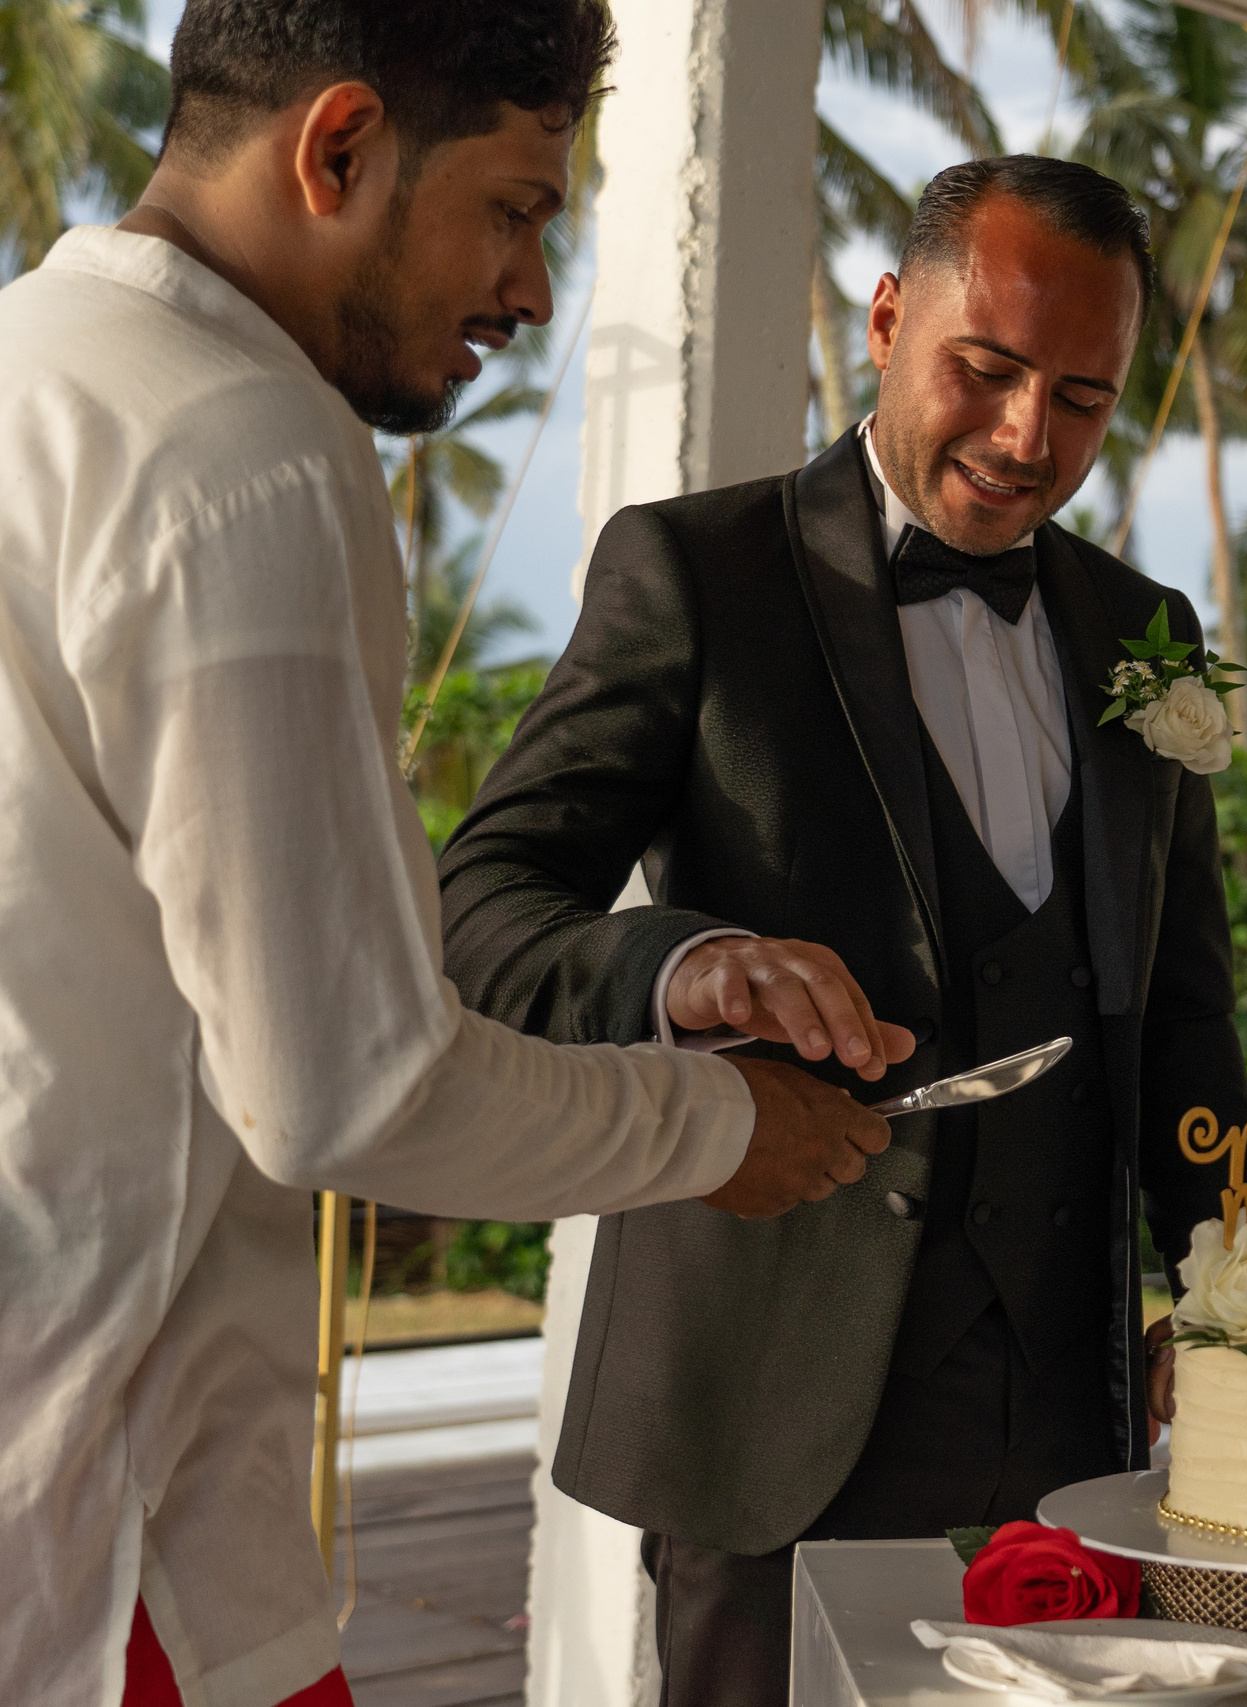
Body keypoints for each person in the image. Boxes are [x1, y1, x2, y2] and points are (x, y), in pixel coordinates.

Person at [0, 4, 901, 1704]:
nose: (535, 292)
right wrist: (719, 1125)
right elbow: (347, 1089)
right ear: (338, 149)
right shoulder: (243, 450)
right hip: (117, 1533)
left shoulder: (28, 365)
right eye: (513, 208)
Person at [436, 155, 1247, 1707]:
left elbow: (1184, 1014)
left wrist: (1231, 1300)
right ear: (886, 319)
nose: (1028, 440)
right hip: (770, 1393)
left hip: (1075, 1424)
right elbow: (481, 906)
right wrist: (683, 968)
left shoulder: (1149, 635)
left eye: (1082, 398)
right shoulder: (694, 572)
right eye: (988, 370)